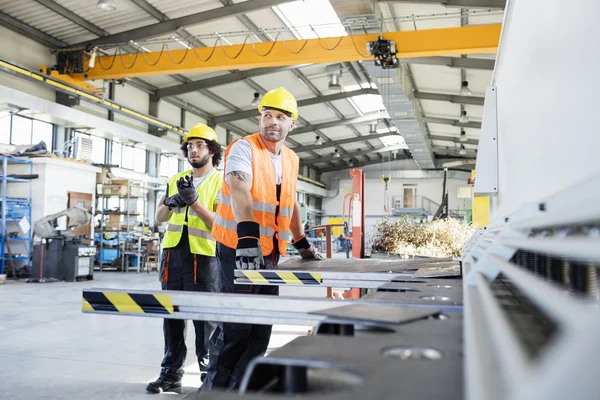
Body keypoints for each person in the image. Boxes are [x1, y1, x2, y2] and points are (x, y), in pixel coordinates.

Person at [203, 87, 322, 390]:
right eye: (267, 115)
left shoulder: (292, 159)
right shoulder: (243, 148)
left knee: (260, 326)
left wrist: (302, 243)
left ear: (291, 124)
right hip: (237, 247)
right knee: (236, 326)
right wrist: (247, 239)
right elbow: (239, 188)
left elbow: (290, 203)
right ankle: (215, 390)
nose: (272, 121)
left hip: (270, 253)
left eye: (280, 117)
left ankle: (242, 389)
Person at [146, 123, 223, 394]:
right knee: (172, 316)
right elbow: (159, 217)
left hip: (205, 258)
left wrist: (194, 202)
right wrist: (170, 202)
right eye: (190, 145)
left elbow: (220, 225)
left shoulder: (221, 181)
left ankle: (209, 378)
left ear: (212, 150)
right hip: (173, 255)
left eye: (200, 145)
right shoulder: (175, 178)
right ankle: (170, 373)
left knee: (205, 320)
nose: (193, 149)